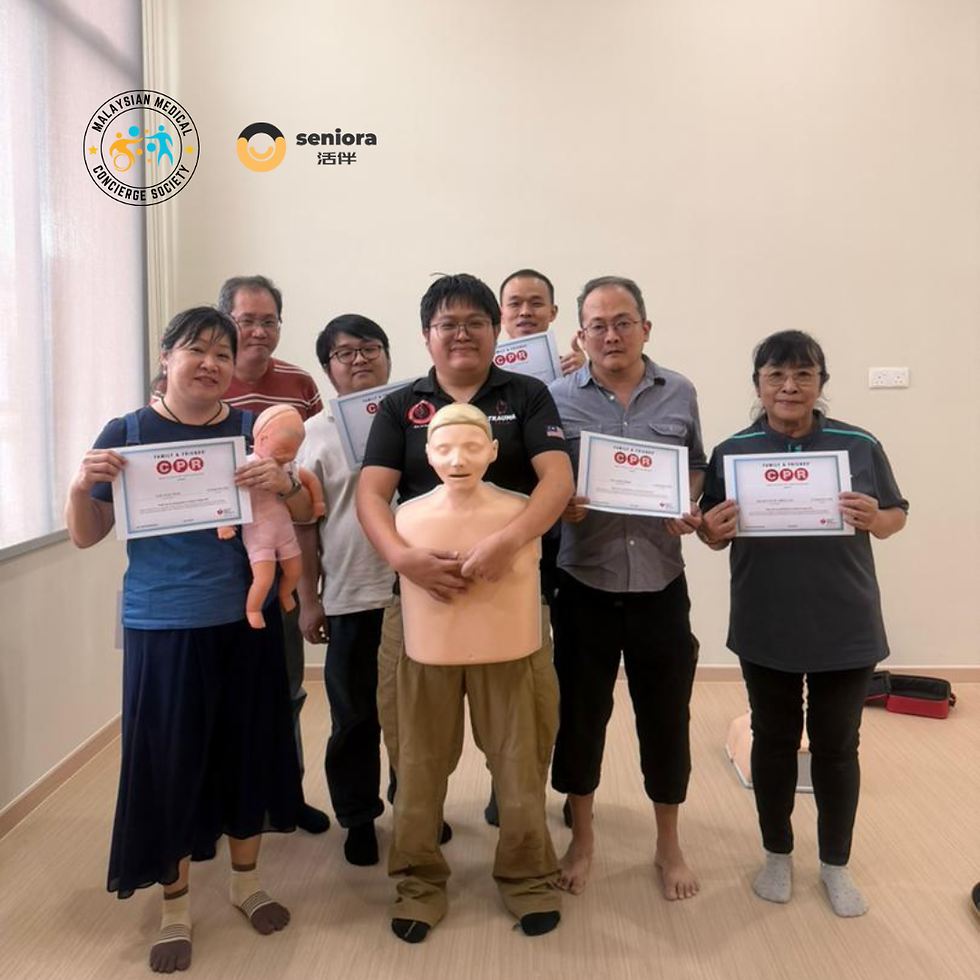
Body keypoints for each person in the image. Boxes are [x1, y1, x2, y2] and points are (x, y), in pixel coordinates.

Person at [65, 307, 311, 973]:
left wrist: (285, 482)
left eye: (222, 354)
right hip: (161, 624)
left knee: (247, 751)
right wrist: (83, 481)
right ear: (166, 357)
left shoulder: (247, 431)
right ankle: (175, 905)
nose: (210, 362)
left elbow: (301, 510)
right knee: (168, 763)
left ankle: (245, 882)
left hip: (243, 623)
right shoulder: (127, 433)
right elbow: (85, 534)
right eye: (196, 349)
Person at [356, 273, 573, 942]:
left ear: (496, 329)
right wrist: (403, 559)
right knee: (418, 757)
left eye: (475, 321)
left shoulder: (527, 394)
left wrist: (511, 540)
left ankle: (528, 875)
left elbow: (557, 480)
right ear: (427, 335)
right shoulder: (401, 407)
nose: (461, 334)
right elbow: (372, 494)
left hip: (511, 599)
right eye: (447, 323)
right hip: (422, 605)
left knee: (520, 751)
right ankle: (418, 881)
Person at [698, 330, 908, 918]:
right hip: (765, 620)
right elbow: (713, 533)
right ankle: (777, 854)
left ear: (820, 382)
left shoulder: (858, 443)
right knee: (773, 741)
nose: (789, 386)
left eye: (803, 375)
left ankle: (835, 864)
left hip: (845, 623)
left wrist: (876, 518)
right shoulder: (732, 451)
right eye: (776, 375)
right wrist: (711, 531)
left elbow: (896, 515)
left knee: (838, 747)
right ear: (758, 383)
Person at [548, 275, 704, 900]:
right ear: (581, 335)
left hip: (661, 581)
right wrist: (561, 504)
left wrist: (685, 500)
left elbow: (695, 463)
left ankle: (669, 844)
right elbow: (540, 478)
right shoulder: (555, 398)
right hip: (584, 580)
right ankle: (582, 838)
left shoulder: (680, 391)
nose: (611, 334)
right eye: (598, 325)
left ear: (645, 327)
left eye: (622, 322)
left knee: (665, 717)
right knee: (580, 717)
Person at [217, 274, 330, 835]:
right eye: (246, 321)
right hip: (217, 564)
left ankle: (286, 796)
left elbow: (312, 477)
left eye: (269, 321)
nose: (258, 332)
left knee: (286, 686)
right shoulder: (201, 380)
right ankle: (224, 806)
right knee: (222, 692)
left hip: (282, 552)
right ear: (225, 323)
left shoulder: (300, 384)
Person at [296, 315, 395, 866]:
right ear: (328, 369)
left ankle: (415, 806)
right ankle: (358, 818)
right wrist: (309, 600)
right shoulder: (312, 434)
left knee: (415, 716)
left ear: (388, 356)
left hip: (414, 594)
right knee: (354, 718)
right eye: (344, 353)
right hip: (350, 595)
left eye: (370, 348)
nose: (359, 360)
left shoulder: (419, 417)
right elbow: (304, 526)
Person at [499, 268, 585, 376]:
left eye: (536, 304)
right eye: (515, 304)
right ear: (500, 314)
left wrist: (587, 374)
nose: (525, 312)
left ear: (552, 312)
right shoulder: (484, 373)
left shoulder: (572, 370)